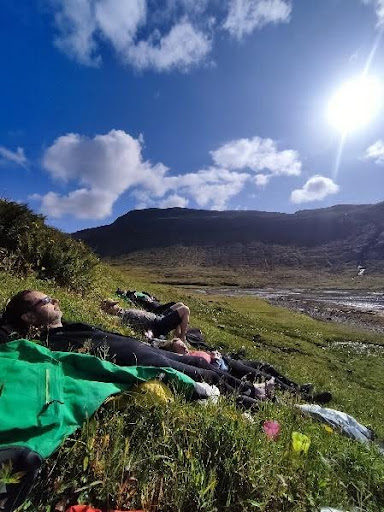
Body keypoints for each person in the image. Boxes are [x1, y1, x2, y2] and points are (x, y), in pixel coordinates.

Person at [1, 290, 261, 409]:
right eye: (46, 300)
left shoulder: (68, 326)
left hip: (148, 349)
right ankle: (261, 408)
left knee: (205, 366)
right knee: (207, 378)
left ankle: (262, 395)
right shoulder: (48, 345)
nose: (55, 300)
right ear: (28, 318)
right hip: (144, 364)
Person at [160, 338, 332, 404]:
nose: (181, 343)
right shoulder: (184, 360)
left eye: (181, 341)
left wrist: (215, 354)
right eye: (176, 342)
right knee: (266, 377)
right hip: (227, 371)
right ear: (171, 349)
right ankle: (306, 398)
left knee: (266, 367)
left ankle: (298, 388)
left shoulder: (193, 351)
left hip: (229, 362)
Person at [101, 298, 189, 342]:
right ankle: (182, 338)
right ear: (109, 309)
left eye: (114, 304)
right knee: (185, 310)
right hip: (157, 325)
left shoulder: (123, 311)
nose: (116, 306)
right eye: (113, 305)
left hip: (158, 317)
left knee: (179, 304)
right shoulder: (119, 317)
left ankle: (177, 333)